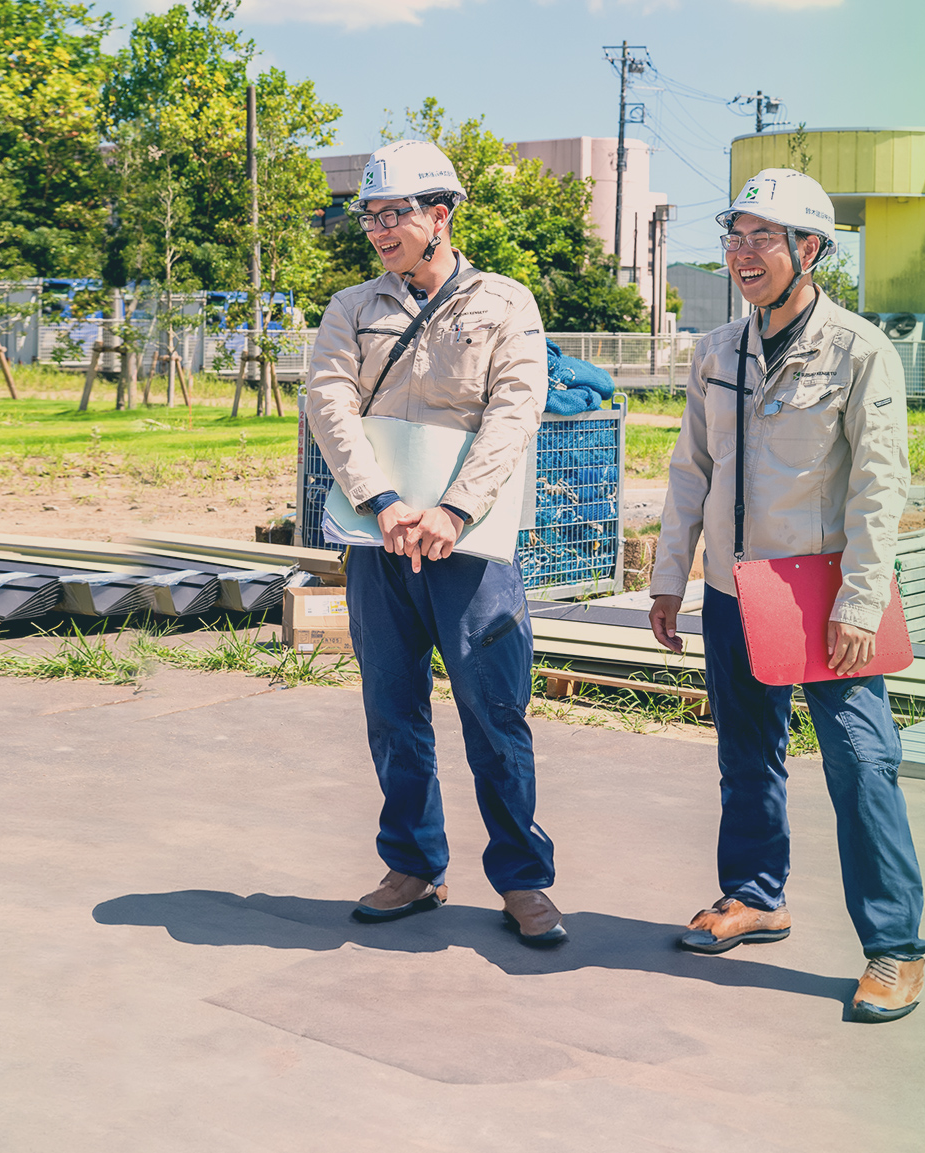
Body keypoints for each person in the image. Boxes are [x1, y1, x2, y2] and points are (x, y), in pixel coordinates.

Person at [648, 168, 925, 1022]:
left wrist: (857, 598)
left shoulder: (857, 350)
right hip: (736, 590)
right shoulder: (714, 352)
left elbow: (880, 484)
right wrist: (668, 578)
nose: (741, 254)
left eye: (761, 238)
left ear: (810, 249)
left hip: (825, 592)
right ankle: (755, 895)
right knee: (745, 754)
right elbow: (691, 471)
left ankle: (892, 945)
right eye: (733, 237)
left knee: (859, 761)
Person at [306, 140, 563, 946]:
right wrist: (377, 500)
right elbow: (328, 399)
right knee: (392, 710)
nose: (379, 229)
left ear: (439, 216)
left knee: (494, 714)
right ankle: (413, 865)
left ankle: (522, 880)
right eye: (370, 216)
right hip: (378, 541)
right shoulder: (351, 307)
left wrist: (453, 509)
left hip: (469, 546)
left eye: (396, 214)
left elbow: (514, 410)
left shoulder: (503, 302)